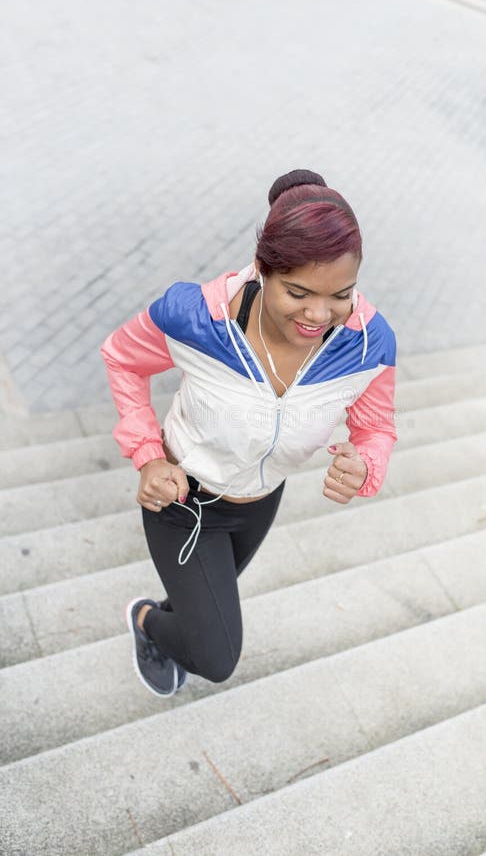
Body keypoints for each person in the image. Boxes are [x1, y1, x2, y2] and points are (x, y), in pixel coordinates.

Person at [100, 168, 397, 697]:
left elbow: (376, 426)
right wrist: (148, 456)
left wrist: (367, 465)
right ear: (262, 269)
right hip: (184, 501)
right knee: (216, 657)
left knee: (206, 601)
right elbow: (122, 359)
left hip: (260, 502)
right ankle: (146, 620)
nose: (318, 316)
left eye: (340, 295)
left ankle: (178, 614)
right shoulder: (196, 318)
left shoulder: (370, 343)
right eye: (299, 293)